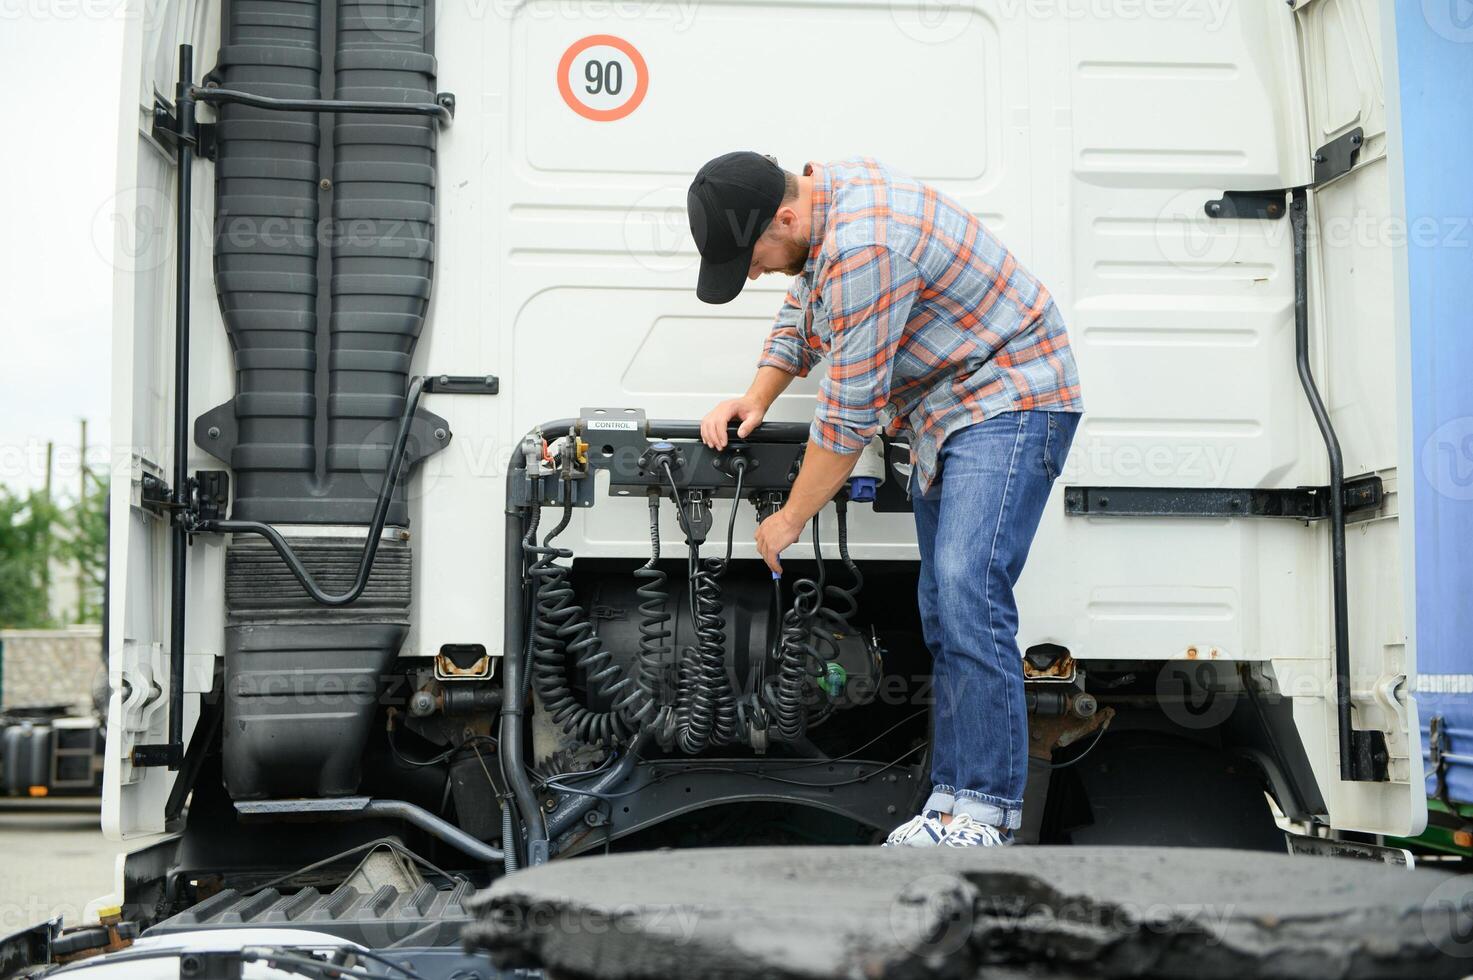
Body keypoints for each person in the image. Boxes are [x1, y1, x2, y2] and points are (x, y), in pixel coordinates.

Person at [688, 152, 1084, 846]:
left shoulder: (865, 244)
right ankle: (949, 806)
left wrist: (788, 519)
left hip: (1011, 399)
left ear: (785, 216)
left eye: (751, 256)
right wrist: (754, 397)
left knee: (968, 592)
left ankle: (985, 813)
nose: (751, 272)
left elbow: (846, 416)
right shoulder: (824, 210)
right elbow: (801, 316)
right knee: (942, 607)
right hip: (951, 411)